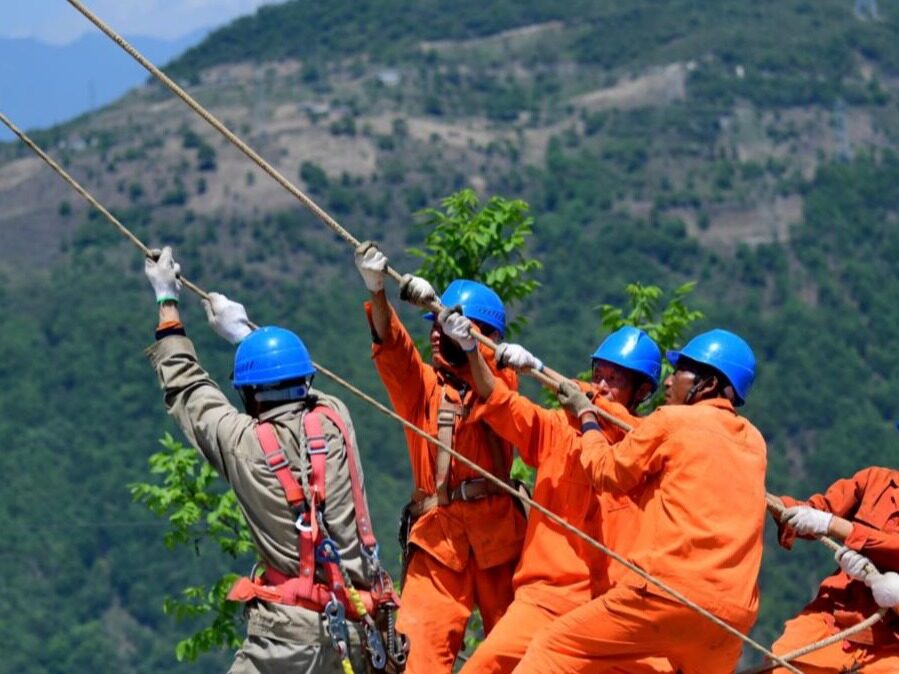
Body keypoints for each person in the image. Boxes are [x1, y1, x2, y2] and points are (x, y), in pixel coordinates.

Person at [145, 246, 404, 673]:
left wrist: (166, 303)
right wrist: (245, 335)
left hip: (287, 643)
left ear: (247, 394)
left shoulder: (242, 442)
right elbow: (304, 387)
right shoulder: (338, 419)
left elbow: (188, 390)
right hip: (361, 632)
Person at [511, 329, 767, 674]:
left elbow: (606, 471)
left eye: (679, 373)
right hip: (733, 618)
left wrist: (588, 419)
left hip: (666, 594)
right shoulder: (754, 442)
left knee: (553, 647)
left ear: (706, 385)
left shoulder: (672, 421)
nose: (669, 381)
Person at [438, 311, 673, 674]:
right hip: (542, 600)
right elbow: (499, 400)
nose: (603, 385)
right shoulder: (560, 430)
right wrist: (471, 351)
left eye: (615, 379)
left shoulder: (644, 445)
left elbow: (615, 419)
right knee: (484, 666)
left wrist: (575, 390)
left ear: (642, 392)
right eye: (599, 375)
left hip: (604, 611)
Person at [354, 242, 526, 674]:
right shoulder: (423, 391)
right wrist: (378, 292)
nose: (433, 333)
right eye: (433, 324)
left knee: (520, 659)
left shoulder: (500, 382)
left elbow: (496, 389)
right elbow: (394, 351)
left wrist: (471, 346)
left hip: (498, 541)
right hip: (438, 542)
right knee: (417, 660)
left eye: (443, 325)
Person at [766, 467, 899, 673]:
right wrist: (769, 501)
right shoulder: (876, 480)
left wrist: (834, 526)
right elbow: (818, 510)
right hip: (832, 617)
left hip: (891, 645)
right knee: (779, 669)